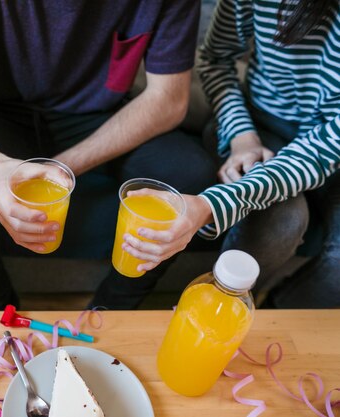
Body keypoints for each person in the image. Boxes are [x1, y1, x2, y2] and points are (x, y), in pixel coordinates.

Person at [0, 0, 217, 310]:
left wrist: (61, 167)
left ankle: (112, 308)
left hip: (99, 116)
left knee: (189, 171)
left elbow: (168, 99)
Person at [123, 0, 340, 308]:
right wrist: (241, 136)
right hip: (257, 123)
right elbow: (214, 59)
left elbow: (318, 153)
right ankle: (208, 308)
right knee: (282, 220)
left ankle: (262, 318)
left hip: (327, 147)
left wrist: (209, 205)